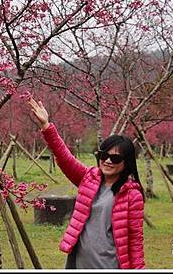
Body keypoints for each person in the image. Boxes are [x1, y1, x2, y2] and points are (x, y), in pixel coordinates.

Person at [28, 97, 145, 269]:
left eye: (115, 158)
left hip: (108, 264)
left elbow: (135, 239)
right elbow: (64, 157)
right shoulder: (89, 178)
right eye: (104, 155)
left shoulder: (132, 195)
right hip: (79, 262)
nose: (108, 161)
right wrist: (46, 126)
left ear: (126, 162)